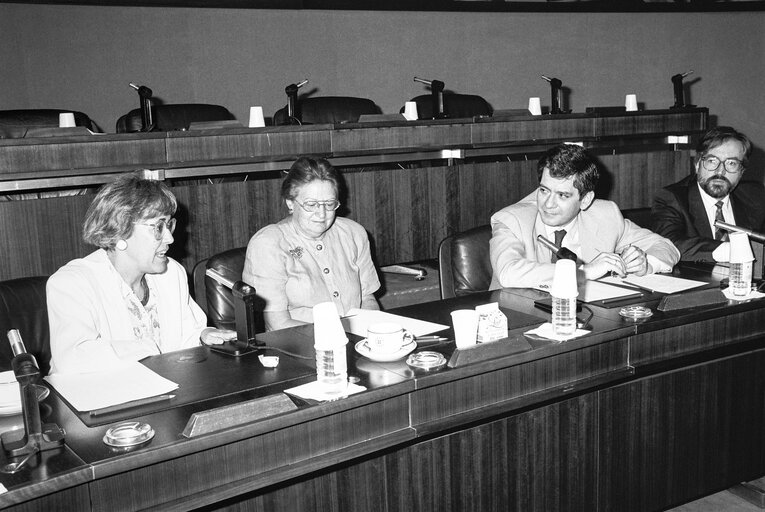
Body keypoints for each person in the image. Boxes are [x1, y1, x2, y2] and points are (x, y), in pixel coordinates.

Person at [47, 174, 235, 375]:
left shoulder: (171, 273)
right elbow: (73, 360)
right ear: (120, 230)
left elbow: (187, 335)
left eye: (169, 224)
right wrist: (149, 348)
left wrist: (203, 335)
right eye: (158, 227)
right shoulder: (72, 283)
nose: (170, 238)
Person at [490, 143, 680, 289]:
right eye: (544, 190)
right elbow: (508, 272)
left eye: (562, 195)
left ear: (586, 200)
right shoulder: (511, 220)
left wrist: (645, 264)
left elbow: (666, 247)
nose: (548, 204)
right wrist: (582, 272)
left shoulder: (605, 215)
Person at [242, 157, 380, 331]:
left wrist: (372, 332)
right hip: (297, 346)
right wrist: (338, 336)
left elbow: (368, 298)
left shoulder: (354, 233)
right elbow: (278, 324)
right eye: (311, 204)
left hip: (354, 340)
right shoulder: (268, 244)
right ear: (290, 202)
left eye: (329, 204)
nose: (322, 214)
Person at [652, 126, 765, 263]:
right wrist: (729, 250)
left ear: (741, 171)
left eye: (731, 163)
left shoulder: (756, 196)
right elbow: (667, 245)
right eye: (712, 161)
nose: (720, 171)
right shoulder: (672, 198)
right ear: (698, 164)